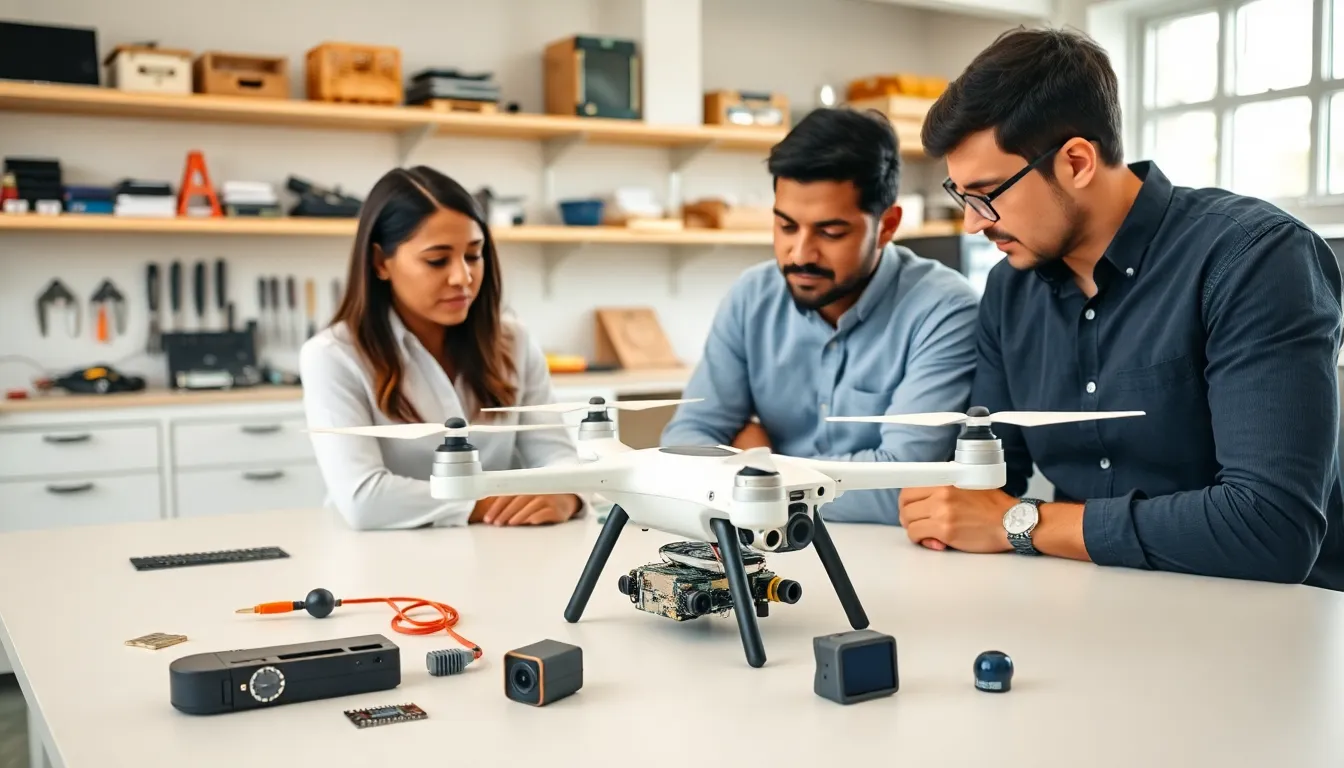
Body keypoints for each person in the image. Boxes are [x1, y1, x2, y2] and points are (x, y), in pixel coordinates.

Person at [905, 26, 1344, 590]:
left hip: (1267, 621)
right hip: (1094, 605)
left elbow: (1269, 529)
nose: (972, 221)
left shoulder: (1254, 259)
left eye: (988, 194)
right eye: (961, 196)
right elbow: (988, 483)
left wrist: (1026, 523)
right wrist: (945, 511)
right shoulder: (1008, 291)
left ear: (1078, 162)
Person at [661, 107, 981, 524]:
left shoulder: (944, 310)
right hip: (764, 548)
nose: (800, 254)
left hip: (892, 559)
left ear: (887, 226)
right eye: (786, 227)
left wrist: (763, 465)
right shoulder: (751, 297)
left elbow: (903, 483)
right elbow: (684, 442)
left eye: (830, 233)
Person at [300, 166, 584, 530]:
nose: (462, 277)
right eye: (437, 260)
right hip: (380, 559)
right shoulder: (332, 356)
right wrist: (487, 502)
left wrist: (566, 495)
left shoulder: (512, 341)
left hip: (503, 552)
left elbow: (559, 458)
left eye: (473, 255)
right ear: (379, 262)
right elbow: (365, 498)